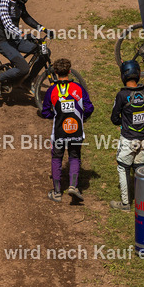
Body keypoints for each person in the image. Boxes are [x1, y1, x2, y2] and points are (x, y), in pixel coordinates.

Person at [42, 57, 93, 204]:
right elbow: (89, 108)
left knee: (57, 158)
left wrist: (56, 116)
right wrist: (81, 118)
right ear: (70, 71)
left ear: (56, 72)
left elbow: (45, 112)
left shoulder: (52, 90)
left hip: (58, 132)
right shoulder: (78, 88)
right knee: (74, 156)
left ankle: (57, 193)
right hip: (76, 131)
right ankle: (73, 186)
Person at [0, 0, 48, 95]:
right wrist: (23, 34)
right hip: (4, 41)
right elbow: (7, 25)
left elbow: (27, 18)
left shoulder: (19, 3)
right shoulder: (3, 2)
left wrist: (42, 28)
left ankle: (27, 82)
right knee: (23, 68)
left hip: (15, 40)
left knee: (44, 52)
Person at [109, 60, 144, 211]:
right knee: (140, 168)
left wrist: (124, 121)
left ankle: (125, 203)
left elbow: (114, 118)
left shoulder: (122, 95)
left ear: (123, 75)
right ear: (139, 74)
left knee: (123, 168)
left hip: (129, 139)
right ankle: (143, 202)